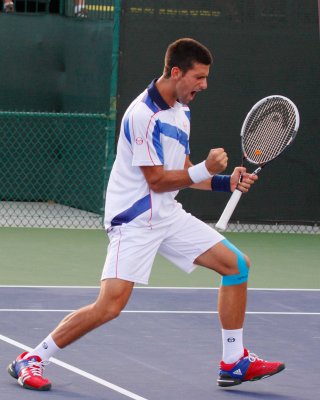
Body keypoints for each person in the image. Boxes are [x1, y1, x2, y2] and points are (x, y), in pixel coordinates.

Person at [7, 38, 285, 391]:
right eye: (198, 77)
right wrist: (203, 168)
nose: (204, 85)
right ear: (175, 72)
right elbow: (155, 180)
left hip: (167, 215)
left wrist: (223, 182)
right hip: (133, 220)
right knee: (109, 306)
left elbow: (180, 168)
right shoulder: (142, 115)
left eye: (206, 78)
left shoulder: (182, 111)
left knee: (236, 265)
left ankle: (234, 362)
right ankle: (30, 359)